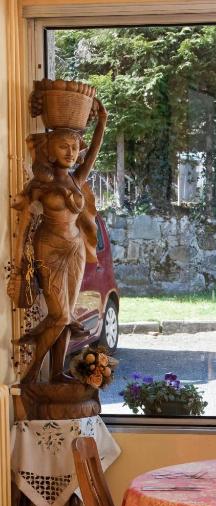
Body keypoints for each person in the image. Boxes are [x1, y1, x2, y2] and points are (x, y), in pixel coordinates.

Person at [11, 99, 107, 383]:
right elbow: (25, 224)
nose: (71, 152)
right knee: (62, 315)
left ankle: (57, 372)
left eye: (75, 148)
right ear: (50, 149)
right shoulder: (40, 184)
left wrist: (102, 121)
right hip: (48, 248)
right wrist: (19, 265)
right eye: (64, 146)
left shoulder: (77, 179)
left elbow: (94, 153)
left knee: (66, 313)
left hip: (74, 249)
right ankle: (29, 377)